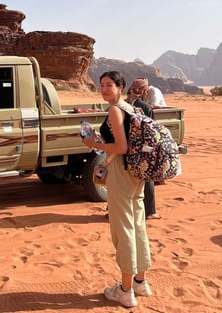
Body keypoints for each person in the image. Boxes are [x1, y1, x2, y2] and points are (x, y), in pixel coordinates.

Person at [82, 71, 152, 308]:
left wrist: (92, 143)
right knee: (137, 224)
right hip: (136, 173)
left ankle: (125, 290)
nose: (104, 89)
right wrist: (102, 143)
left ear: (120, 86)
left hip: (121, 173)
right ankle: (140, 282)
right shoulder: (130, 108)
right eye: (101, 85)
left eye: (109, 85)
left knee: (123, 229)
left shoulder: (115, 110)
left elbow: (121, 147)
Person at [127, 78, 162, 220]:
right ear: (144, 91)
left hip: (123, 147)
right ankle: (150, 211)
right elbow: (151, 129)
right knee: (147, 178)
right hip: (141, 148)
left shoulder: (122, 105)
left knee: (122, 180)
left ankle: (113, 210)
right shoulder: (146, 107)